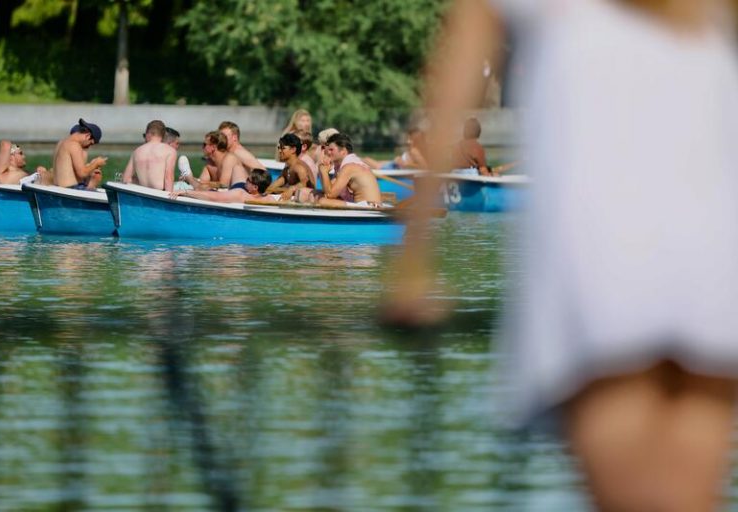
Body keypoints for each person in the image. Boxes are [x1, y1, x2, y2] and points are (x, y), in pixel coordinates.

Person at [387, 1, 738, 511]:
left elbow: (454, 86)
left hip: (602, 232)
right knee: (689, 498)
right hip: (713, 225)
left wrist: (413, 257)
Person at [306, 133, 382, 208]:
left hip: (370, 207)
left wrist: (324, 172)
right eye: (327, 149)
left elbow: (330, 194)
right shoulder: (350, 164)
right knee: (315, 194)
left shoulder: (349, 167)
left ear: (343, 151)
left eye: (331, 150)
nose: (328, 152)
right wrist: (321, 168)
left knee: (322, 201)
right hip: (369, 205)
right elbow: (328, 189)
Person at [121, 120, 176, 191]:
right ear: (163, 135)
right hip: (159, 193)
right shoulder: (170, 151)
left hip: (143, 192)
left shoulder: (137, 151)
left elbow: (126, 179)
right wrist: (169, 196)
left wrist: (140, 182)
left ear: (148, 134)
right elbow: (168, 178)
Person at [52, 118, 106, 190]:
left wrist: (91, 166)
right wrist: (96, 163)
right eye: (90, 143)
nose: (88, 147)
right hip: (71, 189)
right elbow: (82, 173)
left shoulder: (61, 142)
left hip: (59, 187)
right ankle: (91, 185)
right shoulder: (74, 145)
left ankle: (90, 185)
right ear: (88, 136)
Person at [170, 168, 273, 204]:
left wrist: (185, 192)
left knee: (205, 189)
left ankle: (189, 177)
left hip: (221, 195)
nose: (245, 181)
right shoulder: (269, 198)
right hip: (229, 194)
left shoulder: (240, 194)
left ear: (255, 187)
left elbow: (213, 197)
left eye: (248, 180)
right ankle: (189, 178)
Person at [266, 133, 314, 200]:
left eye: (283, 148)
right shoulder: (287, 169)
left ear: (293, 149)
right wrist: (264, 192)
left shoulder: (299, 167)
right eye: (279, 148)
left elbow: (304, 183)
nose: (279, 151)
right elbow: (274, 186)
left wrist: (291, 189)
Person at [362, 126, 428, 171]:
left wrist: (406, 164)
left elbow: (424, 167)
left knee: (366, 160)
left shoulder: (415, 151)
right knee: (365, 160)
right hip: (393, 165)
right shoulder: (413, 150)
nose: (407, 141)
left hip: (394, 168)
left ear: (416, 140)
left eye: (410, 139)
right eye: (408, 138)